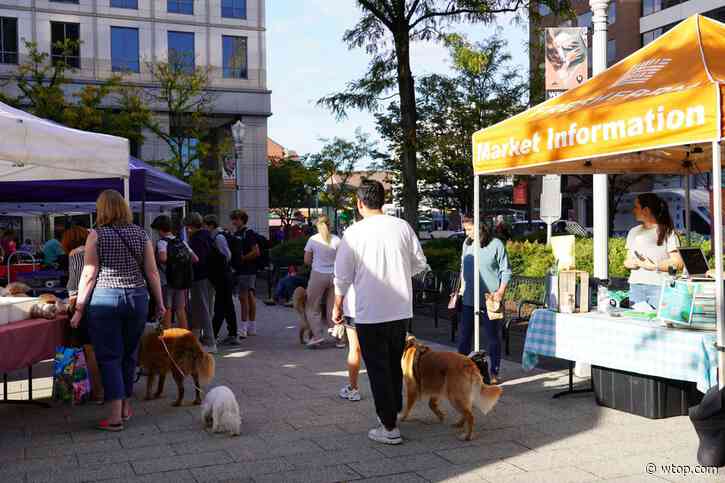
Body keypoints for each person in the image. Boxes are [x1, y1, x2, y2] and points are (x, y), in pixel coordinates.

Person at [332, 181, 428, 445]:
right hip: (399, 309)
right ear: (383, 200)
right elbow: (420, 263)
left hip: (369, 311)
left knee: (377, 369)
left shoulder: (353, 233)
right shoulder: (402, 227)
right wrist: (397, 272)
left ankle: (389, 425)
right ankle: (392, 412)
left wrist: (337, 305)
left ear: (360, 203)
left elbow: (342, 276)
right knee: (394, 364)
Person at [70, 189, 164, 431]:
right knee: (129, 354)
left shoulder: (96, 235)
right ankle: (124, 407)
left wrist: (79, 308)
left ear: (102, 209)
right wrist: (161, 302)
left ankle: (114, 416)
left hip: (106, 298)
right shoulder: (141, 233)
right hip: (137, 298)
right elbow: (152, 272)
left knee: (110, 356)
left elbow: (89, 273)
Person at [458, 214, 512, 385]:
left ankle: (494, 371)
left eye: (469, 228)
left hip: (491, 299)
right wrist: (460, 291)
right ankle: (460, 370)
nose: (466, 233)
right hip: (468, 299)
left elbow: (506, 270)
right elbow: (462, 268)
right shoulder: (466, 244)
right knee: (464, 336)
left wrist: (500, 292)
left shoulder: (496, 244)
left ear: (480, 227)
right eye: (465, 229)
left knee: (492, 336)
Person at [63, 225, 104, 404]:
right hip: (104, 299)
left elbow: (75, 285)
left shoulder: (75, 254)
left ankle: (97, 392)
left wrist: (72, 307)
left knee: (89, 349)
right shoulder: (96, 249)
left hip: (85, 304)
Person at [623, 193, 683, 307]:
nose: (633, 210)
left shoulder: (668, 233)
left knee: (657, 323)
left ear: (646, 210)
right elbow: (627, 260)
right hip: (635, 286)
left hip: (659, 287)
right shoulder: (633, 232)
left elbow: (678, 263)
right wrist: (632, 263)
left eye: (636, 207)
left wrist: (654, 266)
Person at [151, 215, 197, 330]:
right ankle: (185, 337)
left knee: (167, 309)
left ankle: (168, 338)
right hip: (181, 281)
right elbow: (195, 258)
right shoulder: (182, 242)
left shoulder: (162, 242)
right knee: (181, 310)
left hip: (167, 281)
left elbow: (163, 258)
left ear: (160, 229)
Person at [304, 215, 341, 348]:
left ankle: (317, 336)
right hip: (335, 275)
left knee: (312, 306)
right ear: (329, 224)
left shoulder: (313, 240)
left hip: (318, 274)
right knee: (333, 307)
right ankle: (338, 338)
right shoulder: (337, 240)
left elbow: (307, 260)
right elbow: (342, 259)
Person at [204, 214, 240, 345]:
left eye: (205, 225)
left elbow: (227, 255)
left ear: (211, 225)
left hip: (223, 275)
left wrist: (220, 264)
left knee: (221, 305)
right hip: (224, 275)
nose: (204, 228)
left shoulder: (218, 237)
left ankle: (214, 334)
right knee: (227, 305)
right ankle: (231, 334)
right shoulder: (217, 236)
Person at [184, 213, 217, 353]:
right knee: (205, 308)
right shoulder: (207, 236)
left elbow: (198, 260)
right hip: (209, 277)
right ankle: (201, 338)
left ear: (190, 226)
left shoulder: (197, 239)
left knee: (202, 308)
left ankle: (209, 341)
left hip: (200, 277)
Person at [230, 210, 260, 337]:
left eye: (236, 219)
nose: (233, 222)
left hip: (245, 270)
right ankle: (251, 327)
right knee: (249, 296)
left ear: (242, 219)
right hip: (248, 269)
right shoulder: (240, 233)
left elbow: (256, 251)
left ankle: (243, 328)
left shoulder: (247, 233)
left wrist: (242, 258)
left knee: (244, 298)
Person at [338, 285, 362, 401]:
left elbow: (341, 280)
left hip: (354, 305)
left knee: (355, 349)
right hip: (380, 309)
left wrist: (337, 306)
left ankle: (353, 389)